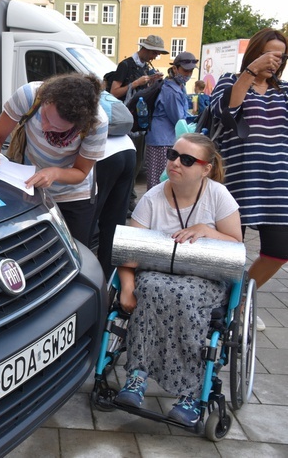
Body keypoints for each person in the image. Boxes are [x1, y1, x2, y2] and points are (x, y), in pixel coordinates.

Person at [115, 133, 242, 426]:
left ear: (206, 168)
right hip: (157, 276)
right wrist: (127, 287)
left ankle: (192, 392)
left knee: (185, 297)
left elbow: (237, 246)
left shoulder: (217, 196)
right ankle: (137, 376)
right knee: (149, 288)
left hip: (204, 279)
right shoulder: (152, 198)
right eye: (173, 155)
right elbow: (130, 252)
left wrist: (206, 230)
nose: (175, 163)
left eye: (187, 160)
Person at [210, 27, 288, 332]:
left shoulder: (283, 92)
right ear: (255, 52)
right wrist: (250, 73)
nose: (275, 61)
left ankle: (241, 298)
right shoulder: (230, 81)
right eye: (270, 53)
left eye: (281, 57)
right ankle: (223, 307)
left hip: (277, 182)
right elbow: (225, 112)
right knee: (232, 251)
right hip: (237, 179)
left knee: (280, 250)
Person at [0, 73, 106, 247]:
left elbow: (81, 172)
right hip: (31, 190)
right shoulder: (30, 95)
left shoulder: (96, 123)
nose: (45, 127)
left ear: (78, 125)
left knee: (72, 251)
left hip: (74, 198)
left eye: (57, 128)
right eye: (45, 116)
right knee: (33, 248)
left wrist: (54, 173)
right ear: (47, 99)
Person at [108, 35, 167, 215]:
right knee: (128, 164)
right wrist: (136, 83)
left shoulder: (146, 67)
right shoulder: (125, 65)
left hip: (140, 121)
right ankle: (123, 200)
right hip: (125, 121)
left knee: (136, 163)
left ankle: (128, 199)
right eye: (155, 52)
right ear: (146, 49)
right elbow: (114, 92)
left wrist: (153, 81)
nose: (155, 56)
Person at [93, 91, 136, 280]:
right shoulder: (102, 95)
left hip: (103, 154)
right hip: (128, 149)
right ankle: (107, 280)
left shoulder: (71, 96)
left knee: (88, 219)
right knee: (114, 223)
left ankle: (86, 279)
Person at [145, 51, 198, 190]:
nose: (188, 74)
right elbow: (179, 120)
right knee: (160, 185)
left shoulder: (177, 87)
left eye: (191, 71)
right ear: (175, 69)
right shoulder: (171, 91)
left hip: (164, 140)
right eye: (185, 70)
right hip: (162, 142)